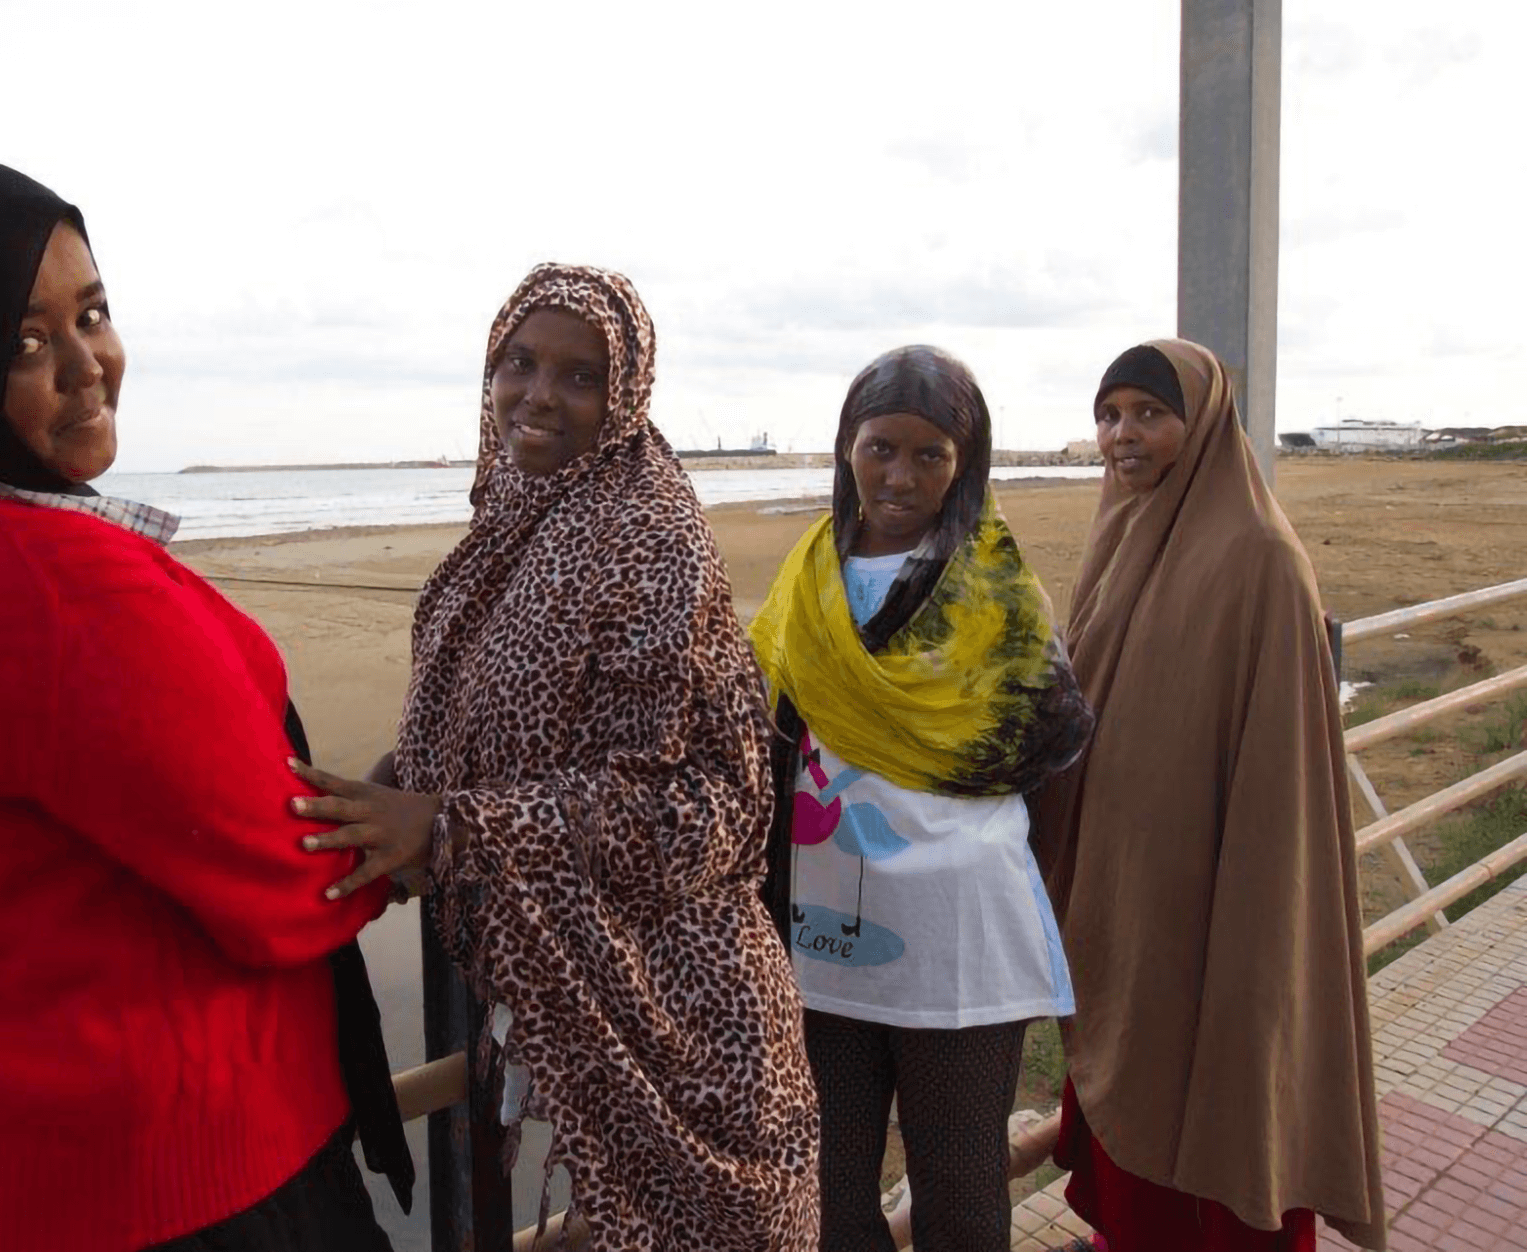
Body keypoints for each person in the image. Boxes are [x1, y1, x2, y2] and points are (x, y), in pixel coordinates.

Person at [0, 146, 410, 1252]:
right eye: (23, 340)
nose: (87, 365)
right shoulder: (51, 586)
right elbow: (285, 877)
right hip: (167, 1186)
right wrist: (422, 826)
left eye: (93, 311)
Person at [289, 263, 820, 1250]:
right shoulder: (512, 517)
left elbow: (713, 806)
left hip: (682, 1022)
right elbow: (479, 723)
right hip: (569, 1002)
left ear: (623, 396)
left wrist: (450, 829)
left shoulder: (652, 540)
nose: (538, 395)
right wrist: (391, 787)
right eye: (517, 363)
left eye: (578, 377)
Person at [1032, 340, 1387, 1251]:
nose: (1123, 435)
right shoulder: (1124, 532)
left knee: (1214, 1103)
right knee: (1132, 1113)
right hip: (1123, 896)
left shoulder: (1261, 559)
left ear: (1205, 422)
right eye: (1109, 414)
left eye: (1150, 413)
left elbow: (1282, 782)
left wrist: (1245, 920)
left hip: (1212, 906)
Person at [749, 346, 1092, 1250]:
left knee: (962, 1183)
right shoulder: (808, 572)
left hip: (960, 937)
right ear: (845, 449)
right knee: (828, 1188)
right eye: (879, 448)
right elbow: (756, 721)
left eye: (929, 455)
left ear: (965, 463)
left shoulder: (996, 585)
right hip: (822, 942)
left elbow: (1045, 749)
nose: (899, 476)